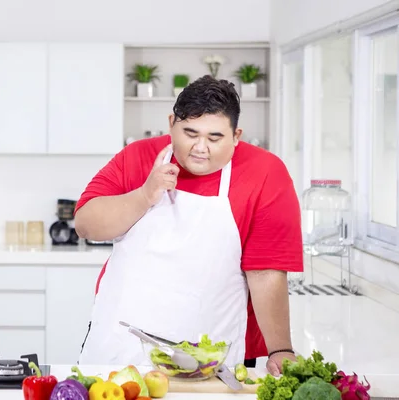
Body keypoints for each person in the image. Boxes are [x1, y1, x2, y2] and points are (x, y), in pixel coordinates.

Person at [73, 75, 303, 375]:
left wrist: (280, 349)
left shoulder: (265, 174)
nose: (200, 148)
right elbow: (86, 224)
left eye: (215, 137)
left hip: (211, 358)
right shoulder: (138, 157)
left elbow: (265, 271)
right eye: (190, 133)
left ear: (236, 135)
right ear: (172, 123)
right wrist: (145, 195)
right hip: (122, 347)